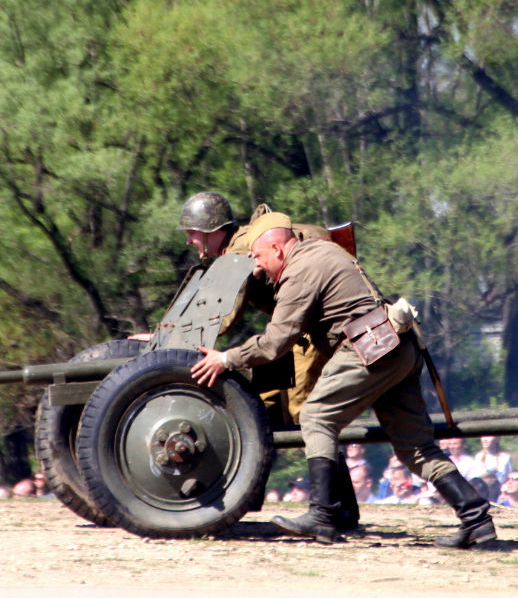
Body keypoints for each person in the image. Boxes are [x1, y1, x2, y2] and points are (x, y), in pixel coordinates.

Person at [190, 214, 496, 548]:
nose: (258, 269)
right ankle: (477, 518)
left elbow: (277, 341)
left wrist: (225, 358)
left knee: (315, 416)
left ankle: (323, 515)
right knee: (416, 447)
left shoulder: (299, 271)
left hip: (368, 347)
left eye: (260, 259)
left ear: (278, 248)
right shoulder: (324, 250)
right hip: (397, 346)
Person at [170, 192, 361, 531]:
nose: (189, 239)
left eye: (193, 232)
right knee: (263, 407)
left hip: (305, 337)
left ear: (214, 230)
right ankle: (247, 499)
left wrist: (173, 341)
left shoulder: (241, 253)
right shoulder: (238, 249)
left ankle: (339, 511)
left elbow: (223, 314)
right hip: (285, 334)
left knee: (309, 414)